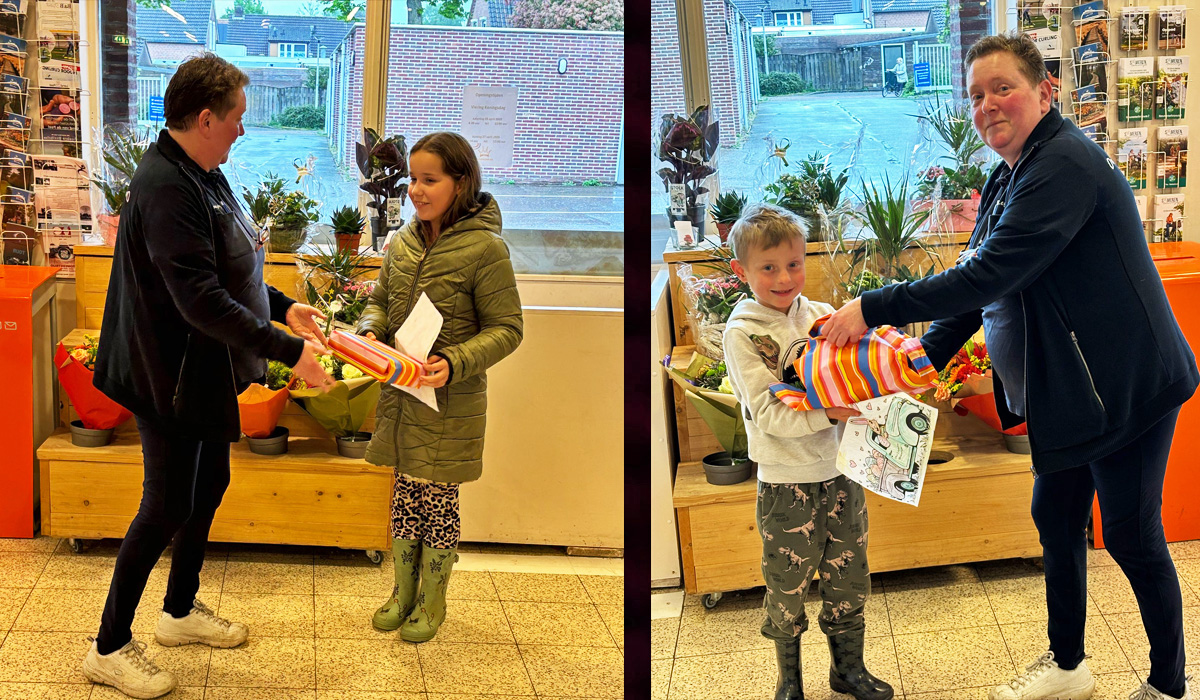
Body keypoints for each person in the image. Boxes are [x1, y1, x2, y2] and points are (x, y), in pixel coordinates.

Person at [823, 31, 1199, 700]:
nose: (987, 105)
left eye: (1003, 88)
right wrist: (915, 361)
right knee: (1056, 518)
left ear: (1045, 92)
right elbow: (980, 289)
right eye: (975, 95)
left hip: (1126, 386)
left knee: (1132, 536)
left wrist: (873, 307)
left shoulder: (1066, 164)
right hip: (1071, 391)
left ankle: (1169, 686)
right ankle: (1069, 666)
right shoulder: (1011, 173)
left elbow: (991, 272)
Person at [85, 53, 335, 699]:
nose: (242, 130)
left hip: (201, 367)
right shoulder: (166, 187)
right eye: (236, 118)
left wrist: (283, 306)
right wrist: (288, 351)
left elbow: (230, 267)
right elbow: (199, 299)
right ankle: (108, 647)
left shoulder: (204, 172)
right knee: (166, 503)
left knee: (210, 483)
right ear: (203, 119)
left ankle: (178, 612)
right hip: (164, 372)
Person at [356, 132, 523, 643]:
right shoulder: (404, 241)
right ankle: (402, 592)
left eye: (429, 180)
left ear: (461, 182)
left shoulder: (486, 249)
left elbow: (508, 329)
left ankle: (433, 600)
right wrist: (370, 331)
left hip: (450, 402)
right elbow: (380, 300)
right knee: (405, 495)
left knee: (438, 502)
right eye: (412, 178)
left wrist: (454, 361)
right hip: (400, 394)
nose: (415, 190)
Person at [722, 202, 893, 700]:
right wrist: (831, 414)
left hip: (841, 474)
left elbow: (858, 375)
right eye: (768, 267)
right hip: (784, 482)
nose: (784, 278)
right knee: (786, 584)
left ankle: (848, 671)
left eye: (793, 264)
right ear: (741, 271)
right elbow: (768, 414)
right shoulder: (742, 333)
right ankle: (789, 681)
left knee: (849, 577)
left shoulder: (823, 317)